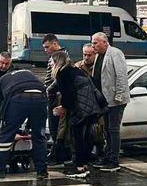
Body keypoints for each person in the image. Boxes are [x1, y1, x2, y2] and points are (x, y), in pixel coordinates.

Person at [0, 69, 48, 180]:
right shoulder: (29, 73)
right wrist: (28, 127)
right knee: (39, 136)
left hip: (18, 98)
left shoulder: (2, 79)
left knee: (7, 135)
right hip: (40, 97)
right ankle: (42, 171)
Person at [51, 51, 101, 178]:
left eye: (52, 61)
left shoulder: (62, 73)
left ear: (57, 62)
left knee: (77, 137)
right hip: (90, 107)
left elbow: (68, 94)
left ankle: (79, 168)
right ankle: (83, 165)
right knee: (85, 137)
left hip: (79, 109)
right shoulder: (75, 69)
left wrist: (63, 107)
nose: (50, 64)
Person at [91, 32, 128, 172]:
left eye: (95, 43)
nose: (93, 45)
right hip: (104, 100)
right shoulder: (99, 55)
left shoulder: (115, 53)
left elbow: (121, 76)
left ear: (105, 42)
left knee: (113, 129)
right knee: (107, 130)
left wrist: (119, 95)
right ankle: (107, 156)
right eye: (93, 43)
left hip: (115, 99)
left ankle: (114, 160)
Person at [42, 34, 70, 166]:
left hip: (56, 96)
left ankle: (59, 154)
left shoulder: (61, 56)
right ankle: (57, 152)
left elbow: (58, 78)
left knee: (56, 126)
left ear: (54, 43)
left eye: (47, 47)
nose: (45, 50)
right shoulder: (55, 56)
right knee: (55, 126)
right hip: (52, 94)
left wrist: (49, 90)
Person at [76, 43, 105, 159]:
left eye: (89, 55)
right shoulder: (78, 67)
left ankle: (100, 152)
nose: (86, 57)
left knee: (98, 131)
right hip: (83, 105)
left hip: (97, 104)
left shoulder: (99, 67)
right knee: (84, 132)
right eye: (84, 55)